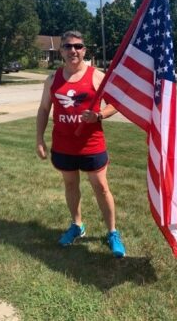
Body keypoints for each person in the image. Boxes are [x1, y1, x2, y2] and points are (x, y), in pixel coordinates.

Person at [35, 30, 126, 258]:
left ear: (84, 50)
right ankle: (77, 226)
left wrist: (99, 116)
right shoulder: (52, 79)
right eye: (68, 46)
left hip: (91, 144)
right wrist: (39, 139)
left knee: (101, 188)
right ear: (61, 50)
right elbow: (44, 109)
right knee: (70, 185)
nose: (73, 50)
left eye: (78, 46)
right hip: (63, 145)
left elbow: (115, 103)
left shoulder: (96, 76)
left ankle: (112, 232)